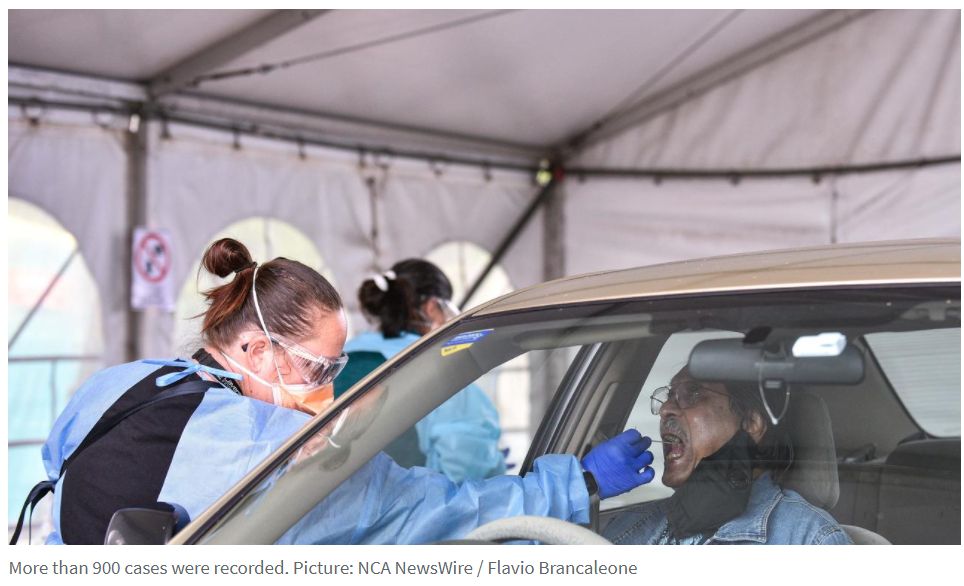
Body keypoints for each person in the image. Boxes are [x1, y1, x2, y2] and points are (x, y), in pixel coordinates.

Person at [26, 238, 656, 545]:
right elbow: (433, 509)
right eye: (318, 370)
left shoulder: (119, 383)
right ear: (256, 350)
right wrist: (578, 484)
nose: (329, 390)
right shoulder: (271, 451)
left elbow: (61, 478)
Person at [601, 366, 852, 545]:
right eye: (668, 397)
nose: (665, 409)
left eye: (693, 393)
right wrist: (588, 482)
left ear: (751, 423)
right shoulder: (630, 525)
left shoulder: (809, 540)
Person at [334, 259, 504, 481]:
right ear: (432, 307)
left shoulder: (342, 358)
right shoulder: (438, 365)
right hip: (406, 500)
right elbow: (467, 461)